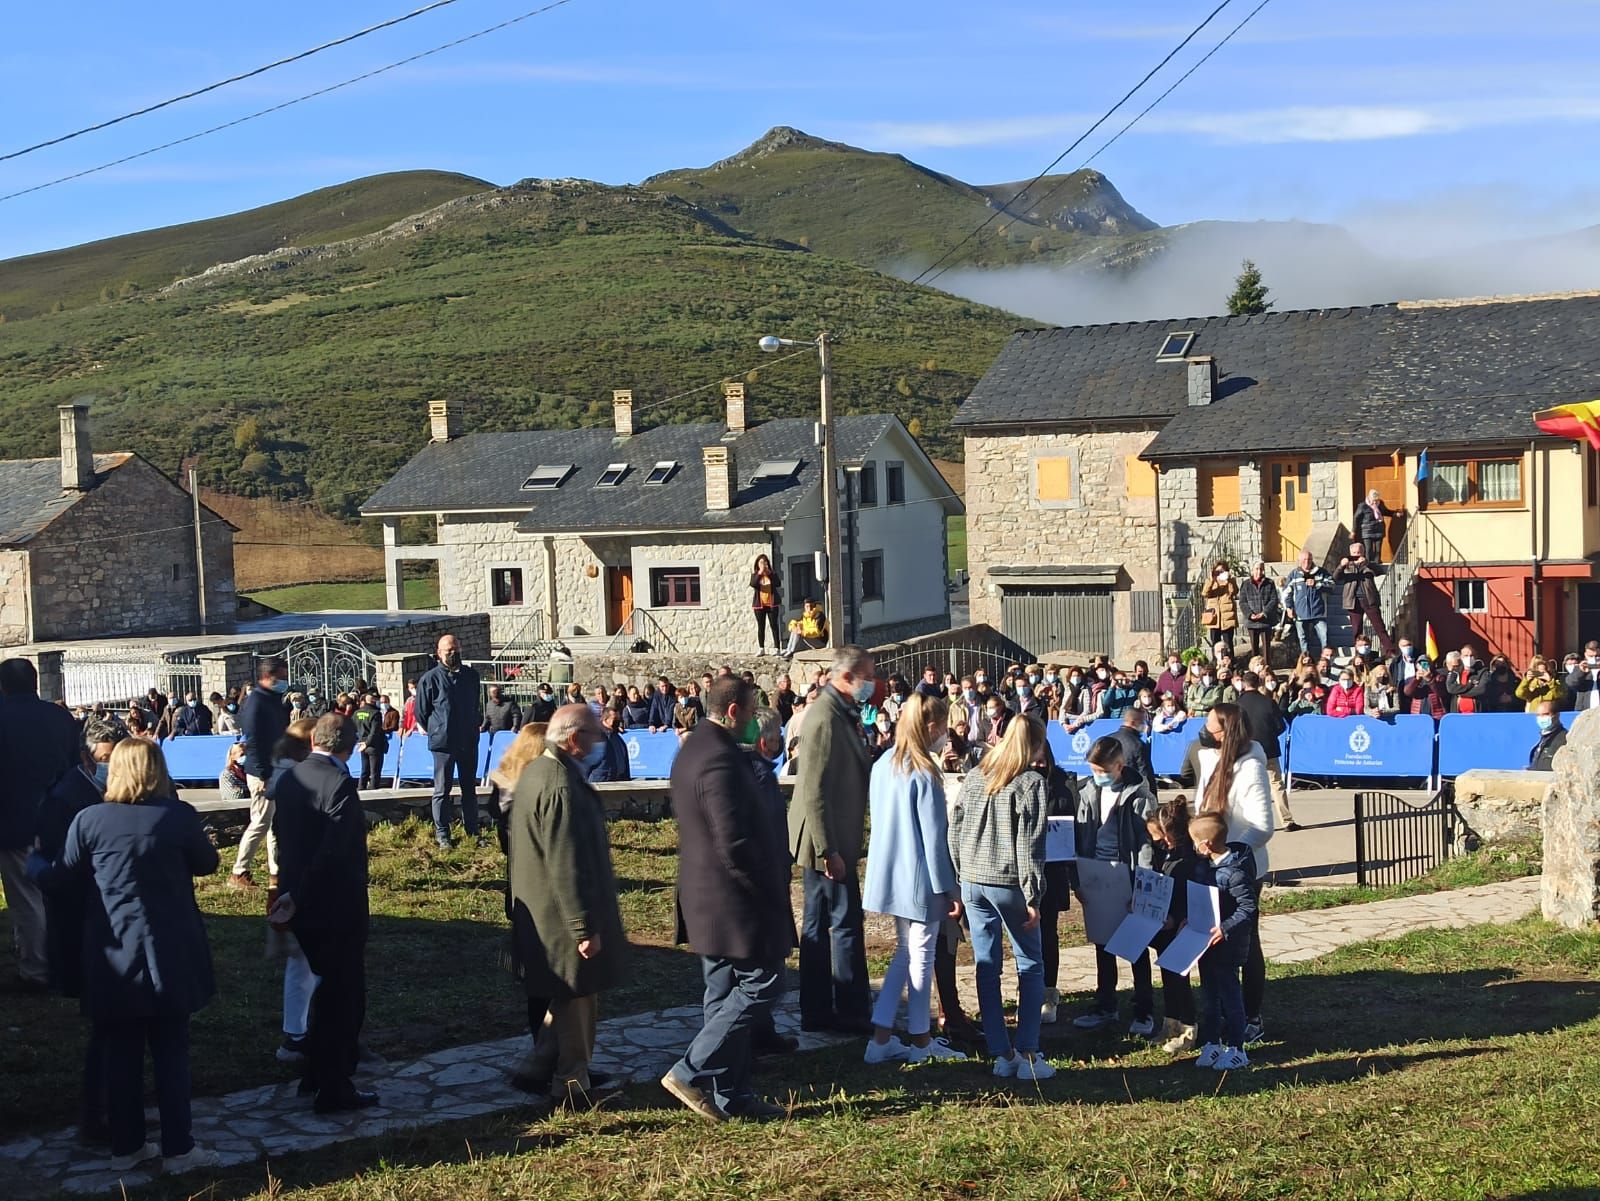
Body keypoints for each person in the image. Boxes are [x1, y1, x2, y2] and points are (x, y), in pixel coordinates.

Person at [32, 738, 220, 1174]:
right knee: (172, 1051)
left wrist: (37, 863)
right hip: (170, 948)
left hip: (113, 951)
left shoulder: (89, 820)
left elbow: (62, 878)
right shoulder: (177, 817)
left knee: (121, 1052)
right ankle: (179, 1148)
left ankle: (127, 1145)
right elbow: (207, 863)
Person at [662, 679, 794, 1121]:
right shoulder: (719, 758)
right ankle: (691, 1069)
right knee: (764, 983)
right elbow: (732, 841)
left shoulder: (694, 748)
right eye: (753, 711)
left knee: (722, 996)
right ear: (734, 710)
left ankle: (731, 1095)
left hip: (705, 896)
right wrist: (766, 887)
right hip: (731, 898)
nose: (757, 722)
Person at [505, 705, 627, 1109]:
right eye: (593, 736)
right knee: (579, 1000)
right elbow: (566, 861)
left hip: (545, 910)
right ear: (574, 740)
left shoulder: (539, 772)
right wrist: (582, 926)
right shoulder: (558, 784)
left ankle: (536, 1065)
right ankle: (572, 1086)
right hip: (560, 917)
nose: (598, 743)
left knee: (566, 998)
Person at [269, 715, 376, 1114]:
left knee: (323, 989)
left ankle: (315, 1071)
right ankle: (334, 1084)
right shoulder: (339, 784)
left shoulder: (290, 779)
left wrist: (287, 890)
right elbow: (335, 850)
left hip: (301, 901)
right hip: (334, 904)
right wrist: (300, 893)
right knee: (342, 996)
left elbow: (282, 840)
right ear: (350, 745)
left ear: (314, 738)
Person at [861, 694, 968, 1066]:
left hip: (888, 872)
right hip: (920, 877)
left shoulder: (883, 764)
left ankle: (881, 1037)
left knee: (906, 953)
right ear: (933, 728)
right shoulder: (924, 773)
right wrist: (949, 888)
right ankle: (922, 1042)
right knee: (921, 957)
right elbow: (933, 838)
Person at [949, 715, 1054, 1080]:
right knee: (1030, 963)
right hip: (1008, 880)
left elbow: (955, 825)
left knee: (986, 964)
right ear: (1034, 744)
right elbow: (1031, 844)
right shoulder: (1030, 783)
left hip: (973, 879)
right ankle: (1028, 1051)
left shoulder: (977, 775)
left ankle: (1000, 1051)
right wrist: (1034, 893)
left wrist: (961, 870)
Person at [789, 645, 875, 1034]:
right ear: (846, 677)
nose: (871, 684)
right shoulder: (823, 717)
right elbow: (814, 789)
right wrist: (829, 850)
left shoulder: (843, 712)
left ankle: (821, 1010)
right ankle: (849, 1011)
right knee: (841, 924)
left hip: (835, 836)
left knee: (821, 922)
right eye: (866, 676)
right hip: (827, 841)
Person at [1192, 703, 1274, 1048]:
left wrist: (1230, 854)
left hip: (1239, 868)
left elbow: (1263, 826)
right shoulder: (1209, 760)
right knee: (1213, 943)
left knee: (1245, 944)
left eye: (1211, 727)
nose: (1204, 732)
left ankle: (1251, 1017)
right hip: (1209, 865)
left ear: (1227, 733)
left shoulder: (1251, 768)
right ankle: (1220, 1012)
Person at [0, 657, 85, 989]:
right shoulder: (59, 716)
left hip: (13, 821)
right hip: (55, 817)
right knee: (45, 893)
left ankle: (37, 970)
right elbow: (72, 765)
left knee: (26, 898)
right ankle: (38, 953)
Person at [1070, 736, 1158, 1037]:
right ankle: (1105, 1004)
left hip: (1128, 876)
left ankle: (1144, 1009)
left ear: (1119, 766)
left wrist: (1141, 886)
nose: (1098, 776)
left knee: (1135, 946)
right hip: (1097, 876)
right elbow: (1080, 833)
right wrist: (1079, 879)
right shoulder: (1088, 791)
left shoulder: (1139, 796)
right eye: (1093, 770)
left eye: (1102, 770)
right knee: (1102, 944)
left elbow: (1146, 844)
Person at [1189, 812, 1258, 1072]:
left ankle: (1237, 1048)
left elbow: (1247, 907)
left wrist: (1225, 929)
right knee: (1209, 996)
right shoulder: (1204, 868)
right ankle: (1212, 1042)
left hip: (1227, 946)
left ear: (1205, 844)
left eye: (1194, 841)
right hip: (1206, 945)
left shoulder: (1235, 873)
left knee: (1230, 997)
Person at [414, 633, 484, 849]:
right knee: (442, 789)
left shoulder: (471, 676)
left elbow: (475, 705)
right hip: (443, 744)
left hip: (468, 741)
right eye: (447, 651)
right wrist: (438, 730)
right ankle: (443, 833)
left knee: (469, 789)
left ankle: (472, 830)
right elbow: (421, 713)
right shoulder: (430, 679)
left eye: (455, 649)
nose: (452, 654)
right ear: (439, 653)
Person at [1146, 797, 1200, 1053]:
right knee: (1168, 976)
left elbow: (1190, 894)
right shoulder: (1168, 854)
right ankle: (1171, 1022)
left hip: (1179, 926)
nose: (1157, 843)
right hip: (1163, 927)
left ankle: (1189, 1027)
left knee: (1180, 977)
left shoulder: (1189, 860)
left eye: (1159, 837)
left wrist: (1176, 917)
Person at [232, 657, 290, 891]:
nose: (285, 682)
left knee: (275, 823)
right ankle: (239, 870)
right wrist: (264, 775)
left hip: (275, 768)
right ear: (268, 678)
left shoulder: (273, 700)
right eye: (282, 678)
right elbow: (254, 742)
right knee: (260, 822)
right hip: (262, 772)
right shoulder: (256, 702)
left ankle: (276, 872)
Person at [1233, 672, 1297, 832]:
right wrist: (1269, 735)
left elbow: (1232, 730)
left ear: (1243, 684)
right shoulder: (1268, 702)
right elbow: (1281, 726)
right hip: (1268, 748)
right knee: (1276, 784)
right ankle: (1287, 821)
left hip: (1245, 750)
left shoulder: (1236, 705)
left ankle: (1249, 822)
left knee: (1247, 785)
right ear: (1259, 682)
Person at [1334, 541, 1396, 656]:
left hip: (1369, 599)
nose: (1356, 554)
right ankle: (1359, 653)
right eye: (1354, 552)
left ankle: (1390, 650)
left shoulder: (1368, 564)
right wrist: (1341, 566)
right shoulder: (1347, 566)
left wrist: (1367, 563)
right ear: (1350, 553)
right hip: (1353, 601)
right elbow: (1336, 577)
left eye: (1359, 552)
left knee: (1379, 627)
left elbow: (1380, 571)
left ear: (1363, 552)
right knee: (1356, 629)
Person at [1284, 550, 1332, 658]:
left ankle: (1326, 661)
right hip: (1300, 613)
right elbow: (1286, 593)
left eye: (1309, 560)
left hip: (1318, 612)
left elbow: (1332, 585)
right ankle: (1306, 661)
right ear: (1300, 560)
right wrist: (1289, 608)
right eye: (1304, 560)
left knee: (1324, 637)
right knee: (1303, 639)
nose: (1307, 562)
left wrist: (1317, 584)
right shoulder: (1294, 574)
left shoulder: (1321, 572)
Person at [1239, 563, 1282, 663]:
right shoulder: (1246, 584)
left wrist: (1264, 612)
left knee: (1266, 648)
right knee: (1254, 649)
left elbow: (1273, 599)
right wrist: (1250, 614)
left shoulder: (1269, 583)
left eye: (1261, 569)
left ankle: (1267, 669)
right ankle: (1255, 669)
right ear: (1252, 570)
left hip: (1265, 621)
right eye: (1257, 569)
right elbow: (1243, 602)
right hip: (1251, 621)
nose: (1259, 571)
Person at [1111, 705, 1156, 794]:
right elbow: (1146, 775)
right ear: (1133, 722)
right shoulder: (1138, 745)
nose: (1144, 725)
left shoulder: (1108, 740)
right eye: (1142, 722)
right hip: (1132, 792)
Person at [1201, 561, 1240, 658]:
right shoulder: (1211, 582)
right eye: (1217, 571)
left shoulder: (1230, 581)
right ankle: (1216, 663)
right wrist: (1212, 580)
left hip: (1227, 617)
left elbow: (1234, 591)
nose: (1219, 574)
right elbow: (1205, 593)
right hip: (1214, 618)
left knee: (1228, 643)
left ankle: (1230, 662)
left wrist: (1229, 580)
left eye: (1221, 571)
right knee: (1215, 643)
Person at [584, 706, 632, 783]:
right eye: (614, 719)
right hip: (600, 782)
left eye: (618, 719)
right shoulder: (596, 738)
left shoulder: (618, 739)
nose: (618, 722)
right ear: (605, 719)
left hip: (619, 782)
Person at [1444, 643, 1495, 713]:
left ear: (1476, 657)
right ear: (1461, 657)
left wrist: (1461, 694)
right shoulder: (1455, 672)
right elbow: (1451, 688)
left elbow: (1481, 689)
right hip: (1458, 715)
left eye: (1471, 655)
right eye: (1466, 655)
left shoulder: (1483, 672)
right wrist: (1470, 686)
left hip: (1477, 714)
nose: (1469, 658)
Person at [352, 693, 388, 790]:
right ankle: (373, 792)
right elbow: (374, 732)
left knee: (364, 770)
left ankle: (361, 788)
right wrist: (367, 743)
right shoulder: (375, 713)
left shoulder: (357, 713)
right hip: (373, 745)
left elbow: (353, 728)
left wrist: (360, 741)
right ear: (373, 701)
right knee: (374, 772)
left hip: (361, 744)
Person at [750, 554, 784, 655]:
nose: (763, 564)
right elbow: (753, 584)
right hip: (759, 605)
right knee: (761, 626)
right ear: (757, 564)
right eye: (761, 562)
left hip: (772, 604)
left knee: (774, 626)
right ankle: (761, 648)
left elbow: (778, 584)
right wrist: (760, 573)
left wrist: (769, 574)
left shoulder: (772, 574)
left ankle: (777, 648)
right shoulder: (755, 575)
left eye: (764, 562)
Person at [1528, 700, 1567, 770]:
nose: (1541, 718)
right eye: (1538, 715)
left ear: (1557, 715)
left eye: (1546, 714)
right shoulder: (1542, 740)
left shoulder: (1564, 738)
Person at [1565, 641, 1600, 712]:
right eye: (1590, 656)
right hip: (1584, 711)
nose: (1594, 659)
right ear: (1585, 655)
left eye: (1597, 656)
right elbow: (1570, 682)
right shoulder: (1580, 668)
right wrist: (1581, 672)